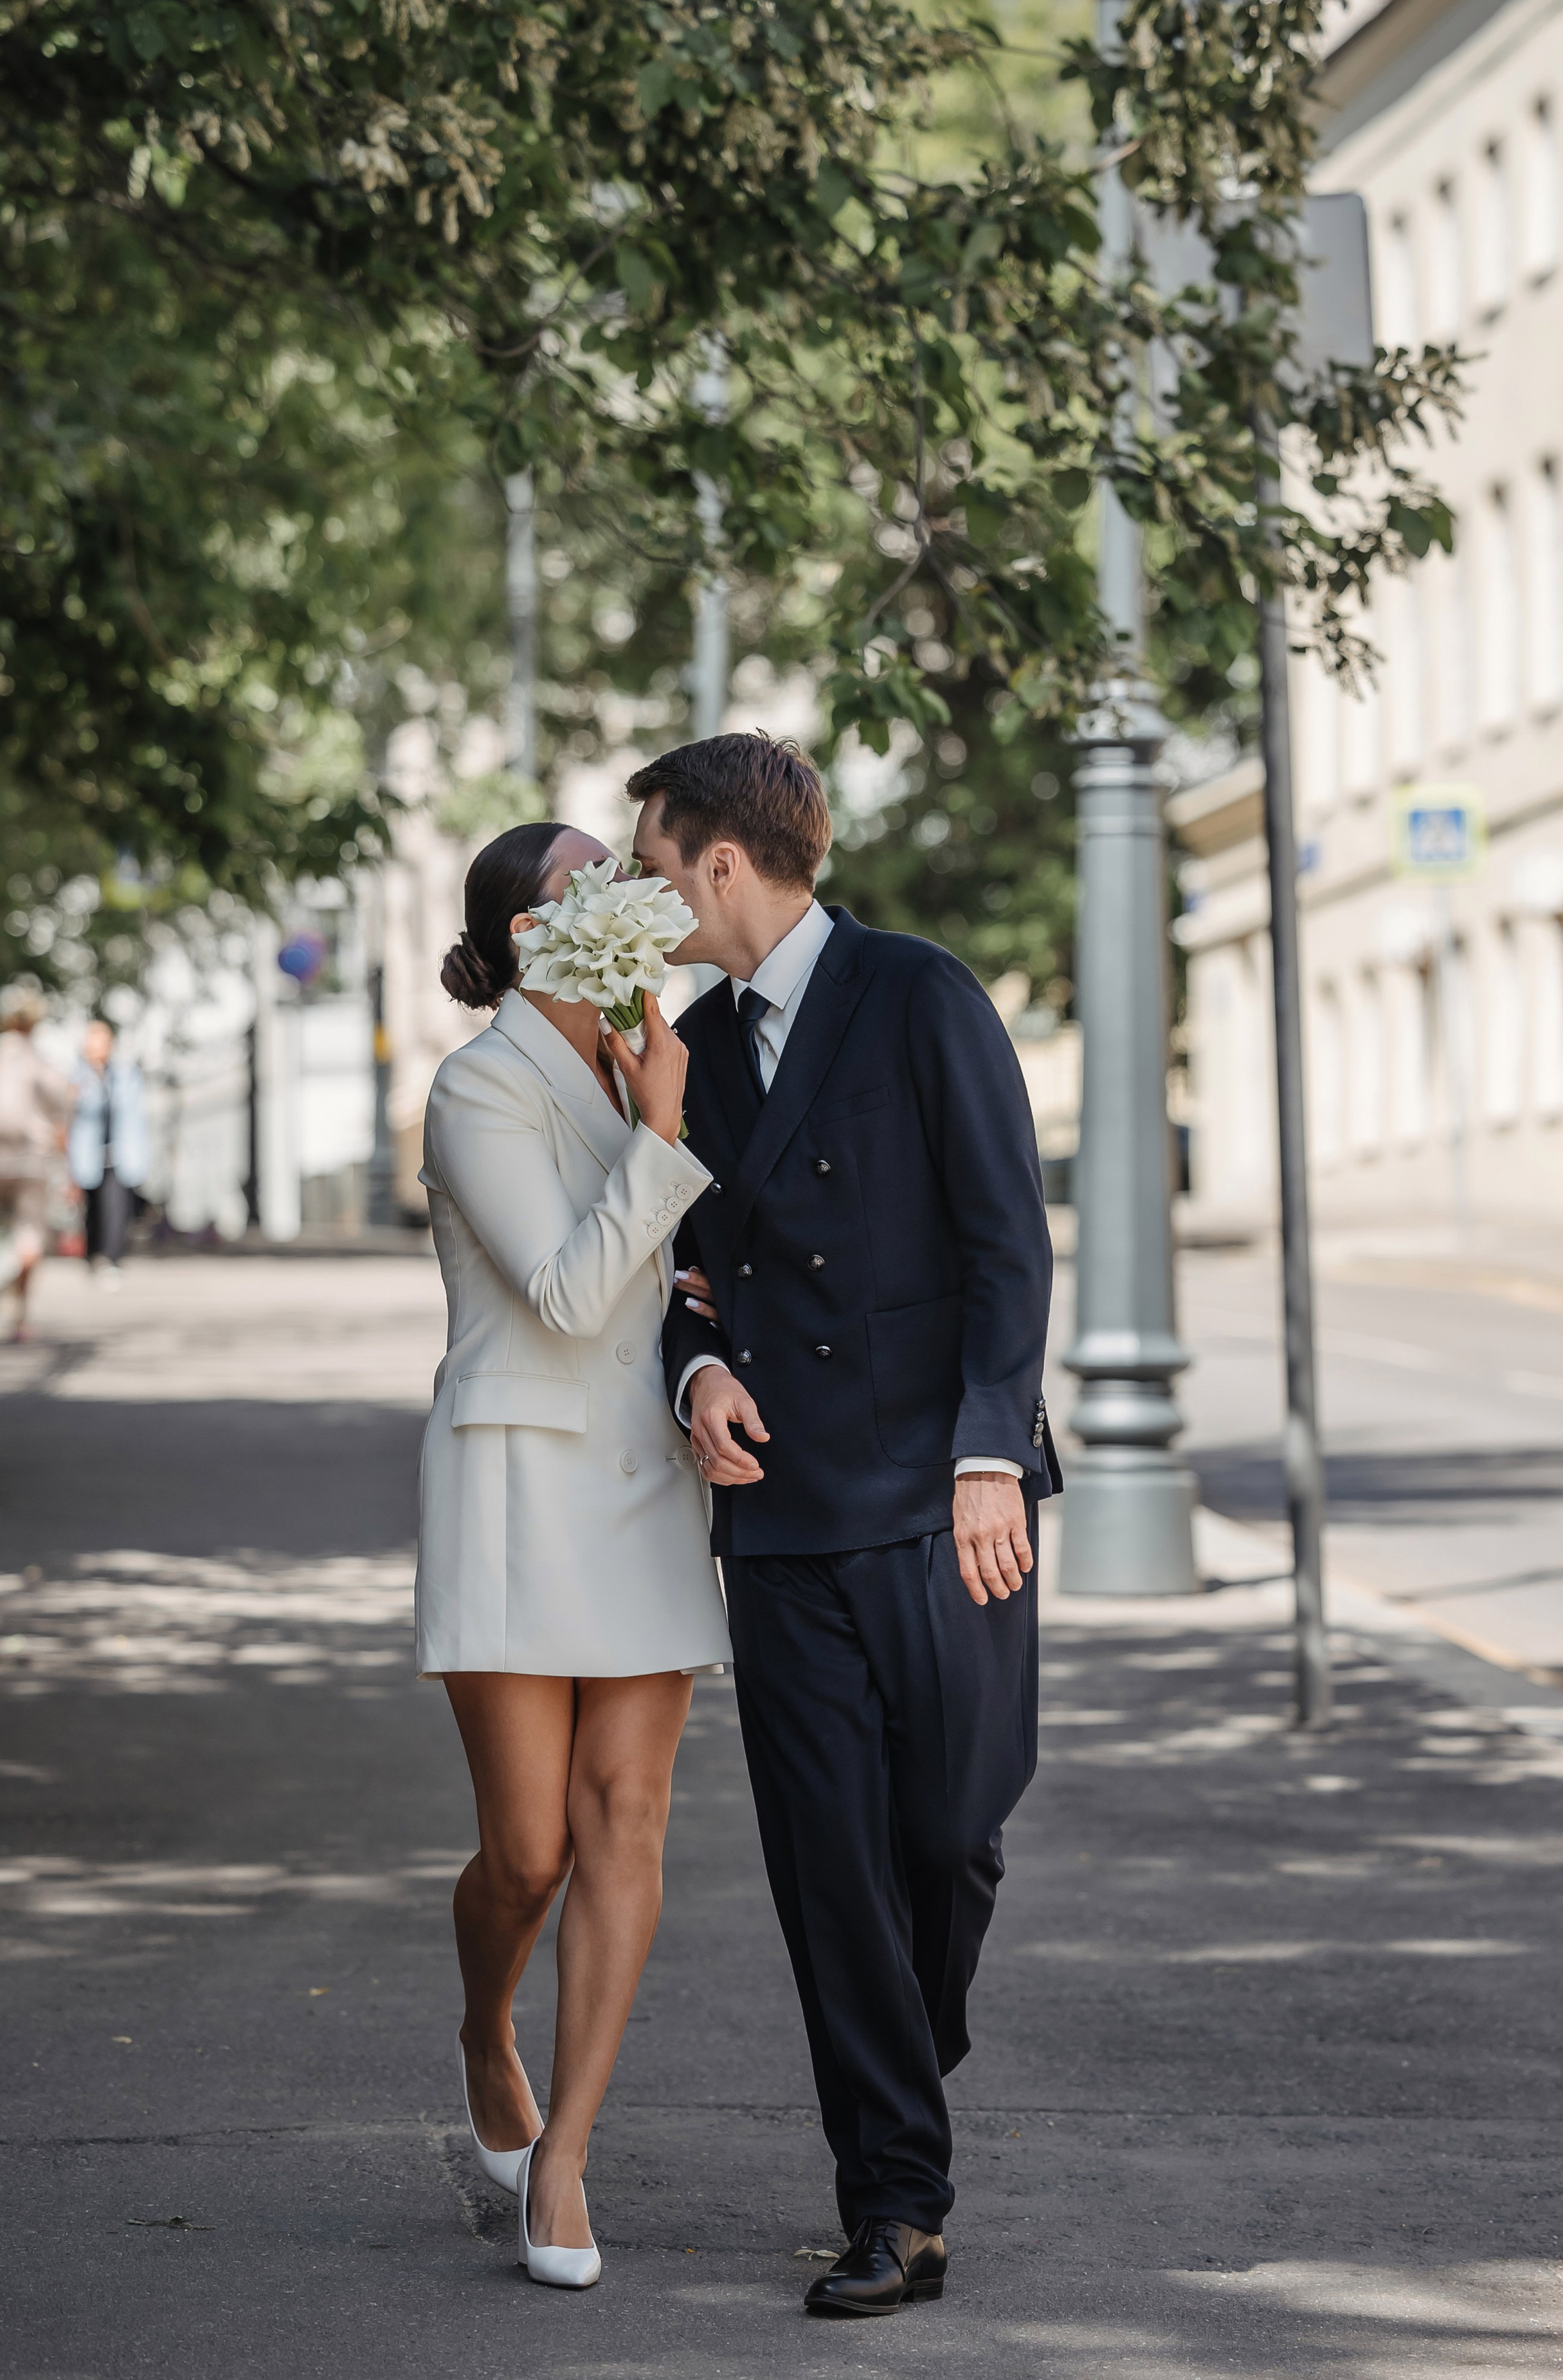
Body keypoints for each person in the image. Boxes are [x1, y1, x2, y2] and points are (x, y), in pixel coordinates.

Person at [629, 732, 1060, 2320]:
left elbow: (1005, 1242)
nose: (645, 891)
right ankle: (893, 2196)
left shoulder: (917, 990)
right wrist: (696, 1371)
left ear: (720, 862)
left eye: (653, 861)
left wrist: (984, 1455)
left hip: (948, 1499)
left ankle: (900, 2044)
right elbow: (675, 1274)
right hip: (785, 1510)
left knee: (946, 1832)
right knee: (830, 1870)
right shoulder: (687, 1046)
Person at [420, 820, 732, 2293]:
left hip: (646, 1482)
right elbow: (557, 1293)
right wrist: (660, 1133)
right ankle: (486, 2027)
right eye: (584, 879)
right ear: (527, 928)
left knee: (628, 1821)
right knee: (529, 1850)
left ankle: (567, 2151)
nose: (625, 889)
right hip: (515, 1482)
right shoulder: (477, 1082)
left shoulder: (655, 1046)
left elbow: (692, 1277)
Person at [0, 983, 75, 1345]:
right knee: (29, 1234)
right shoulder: (39, 1061)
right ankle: (20, 1318)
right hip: (32, 1160)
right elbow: (63, 1110)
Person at [68, 1020, 150, 1287]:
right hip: (88, 1155)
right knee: (92, 1211)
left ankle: (112, 1259)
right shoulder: (77, 1078)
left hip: (120, 1154)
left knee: (116, 1209)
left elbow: (137, 1117)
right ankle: (94, 1256)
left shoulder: (127, 1075)